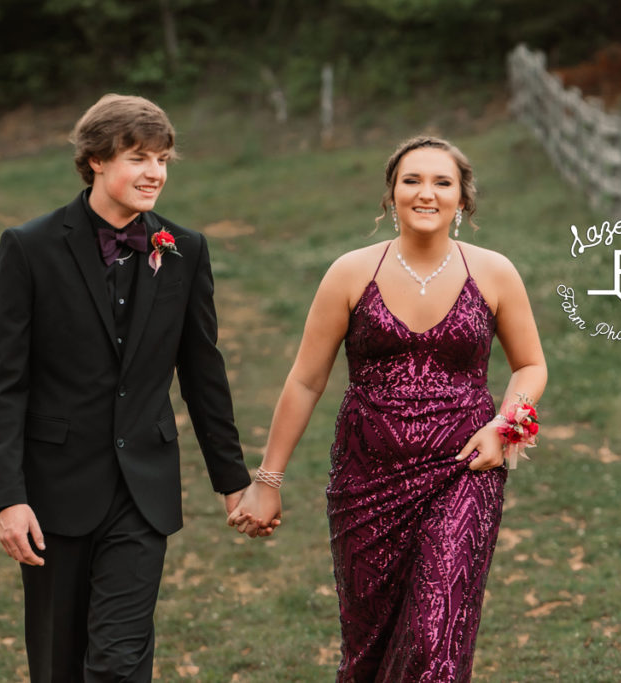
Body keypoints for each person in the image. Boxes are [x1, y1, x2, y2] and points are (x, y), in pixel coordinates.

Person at [229, 136, 548, 681]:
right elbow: (306, 380)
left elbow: (531, 366)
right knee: (367, 647)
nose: (426, 193)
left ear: (462, 199)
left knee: (435, 639)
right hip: (365, 482)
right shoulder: (350, 274)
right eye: (412, 180)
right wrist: (269, 478)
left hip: (463, 472)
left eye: (442, 182)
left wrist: (503, 426)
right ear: (390, 194)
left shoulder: (494, 273)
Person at [0, 94, 256, 682]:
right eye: (138, 157)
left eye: (163, 159)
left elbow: (203, 372)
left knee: (119, 661)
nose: (155, 173)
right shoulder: (29, 248)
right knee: (59, 663)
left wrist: (233, 481)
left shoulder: (184, 250)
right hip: (54, 491)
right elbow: (2, 383)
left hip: (144, 491)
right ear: (96, 160)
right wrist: (8, 497)